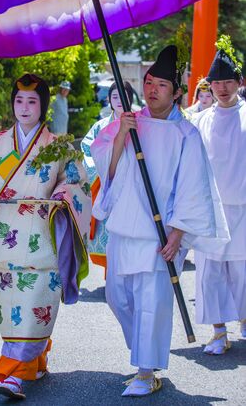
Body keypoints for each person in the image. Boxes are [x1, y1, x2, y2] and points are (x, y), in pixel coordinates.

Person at [90, 45, 229, 397]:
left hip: (160, 231)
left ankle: (146, 370)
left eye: (161, 85)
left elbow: (193, 186)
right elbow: (105, 164)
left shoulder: (186, 134)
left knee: (152, 300)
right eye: (149, 82)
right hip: (124, 226)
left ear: (177, 92)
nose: (152, 89)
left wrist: (178, 232)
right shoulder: (130, 123)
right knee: (117, 297)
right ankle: (143, 352)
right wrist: (122, 133)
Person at [0, 74, 91, 400]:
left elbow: (76, 183)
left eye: (32, 101)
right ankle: (35, 358)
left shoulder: (58, 146)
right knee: (11, 305)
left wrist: (62, 197)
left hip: (42, 239)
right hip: (3, 238)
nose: (24, 107)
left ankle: (11, 373)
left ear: (43, 105)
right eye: (19, 101)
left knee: (36, 301)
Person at [192, 36, 246, 355]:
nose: (223, 88)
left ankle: (244, 320)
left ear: (239, 82)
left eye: (228, 81)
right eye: (217, 82)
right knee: (210, 271)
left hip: (243, 206)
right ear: (209, 86)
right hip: (210, 209)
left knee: (242, 269)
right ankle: (217, 331)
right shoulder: (199, 120)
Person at [81, 81, 134, 273]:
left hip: (131, 189)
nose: (119, 101)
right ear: (109, 100)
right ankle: (112, 278)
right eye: (115, 97)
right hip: (107, 188)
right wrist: (103, 172)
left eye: (124, 96)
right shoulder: (100, 126)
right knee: (109, 236)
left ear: (131, 98)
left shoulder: (140, 124)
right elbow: (87, 152)